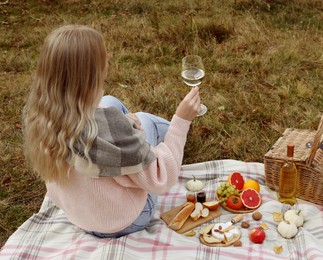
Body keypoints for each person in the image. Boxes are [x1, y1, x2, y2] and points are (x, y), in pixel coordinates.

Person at [23, 24, 200, 238]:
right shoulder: (109, 129)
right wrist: (182, 120)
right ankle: (175, 143)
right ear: (90, 72)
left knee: (110, 102)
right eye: (102, 55)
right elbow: (161, 179)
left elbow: (99, 121)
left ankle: (153, 139)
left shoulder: (43, 113)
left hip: (80, 216)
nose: (108, 56)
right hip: (126, 220)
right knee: (146, 121)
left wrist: (124, 125)